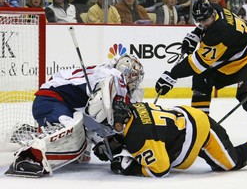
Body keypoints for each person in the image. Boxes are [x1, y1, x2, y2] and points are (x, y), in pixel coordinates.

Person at [5, 54, 145, 177]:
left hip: (63, 104)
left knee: (81, 146)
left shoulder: (105, 73)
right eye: (133, 76)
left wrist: (104, 142)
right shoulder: (113, 75)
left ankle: (23, 133)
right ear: (125, 71)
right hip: (50, 100)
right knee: (70, 132)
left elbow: (94, 116)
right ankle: (28, 157)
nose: (134, 81)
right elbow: (99, 112)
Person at [104, 101, 247, 177]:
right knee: (219, 163)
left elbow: (160, 170)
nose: (111, 126)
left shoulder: (137, 138)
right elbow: (147, 131)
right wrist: (117, 142)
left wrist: (130, 168)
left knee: (230, 163)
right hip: (185, 125)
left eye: (112, 124)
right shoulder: (134, 107)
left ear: (119, 124)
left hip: (201, 131)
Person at [155, 0, 247, 124]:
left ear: (211, 14)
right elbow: (203, 26)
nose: (203, 23)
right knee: (201, 78)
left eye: (204, 20)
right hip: (233, 60)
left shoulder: (219, 31)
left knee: (246, 97)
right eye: (199, 21)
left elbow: (196, 63)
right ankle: (200, 123)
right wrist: (196, 34)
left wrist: (172, 75)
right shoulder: (215, 8)